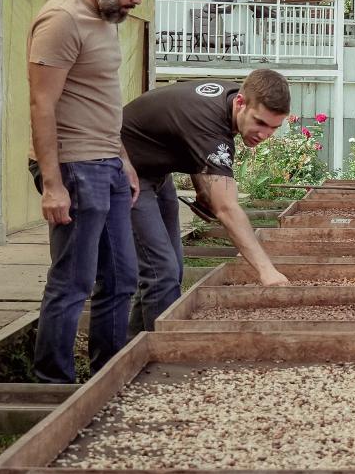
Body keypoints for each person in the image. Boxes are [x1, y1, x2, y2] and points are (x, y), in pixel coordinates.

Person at [27, 0, 154, 383]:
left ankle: (107, 374)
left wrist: (124, 160)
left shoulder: (106, 15)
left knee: (122, 277)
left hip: (108, 163)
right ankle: (53, 382)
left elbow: (101, 98)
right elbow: (42, 105)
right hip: (75, 167)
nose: (136, 1)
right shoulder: (62, 20)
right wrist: (52, 184)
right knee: (73, 281)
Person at [122, 69, 292, 334]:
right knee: (161, 272)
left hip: (155, 171)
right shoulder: (211, 121)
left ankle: (134, 346)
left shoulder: (229, 101)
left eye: (274, 128)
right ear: (241, 103)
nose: (265, 134)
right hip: (125, 170)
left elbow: (190, 138)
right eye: (260, 123)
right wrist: (266, 271)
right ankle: (161, 352)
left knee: (171, 270)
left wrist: (203, 190)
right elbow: (226, 208)